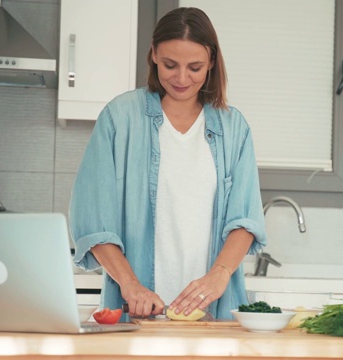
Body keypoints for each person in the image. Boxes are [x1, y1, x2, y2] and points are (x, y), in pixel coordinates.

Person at [69, 7, 266, 320]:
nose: (182, 78)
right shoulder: (120, 118)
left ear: (212, 63)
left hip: (215, 314)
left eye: (195, 67)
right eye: (171, 64)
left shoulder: (234, 128)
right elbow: (94, 223)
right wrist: (131, 284)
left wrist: (219, 275)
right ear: (154, 55)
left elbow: (244, 220)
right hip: (134, 313)